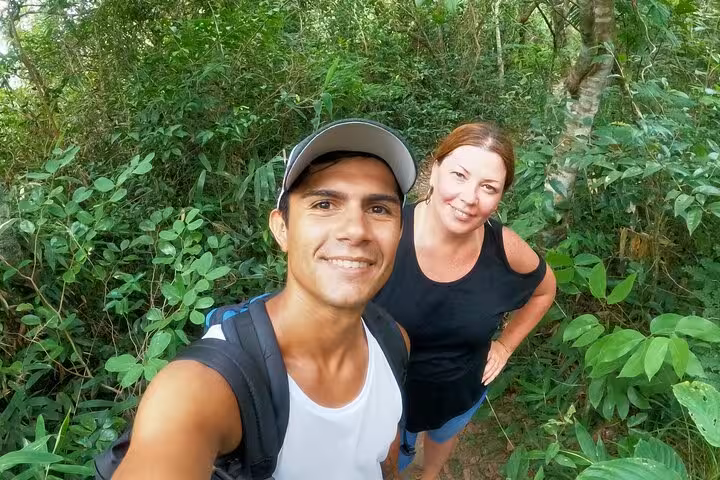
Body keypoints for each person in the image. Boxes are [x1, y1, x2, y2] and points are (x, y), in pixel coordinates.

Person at [112, 119, 417, 480]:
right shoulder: (206, 386)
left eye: (379, 209)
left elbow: (383, 458)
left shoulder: (393, 339)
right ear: (282, 229)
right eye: (324, 204)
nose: (355, 230)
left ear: (399, 232)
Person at [374, 122, 557, 479]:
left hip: (460, 392)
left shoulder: (504, 249)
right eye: (459, 175)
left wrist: (504, 345)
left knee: (443, 439)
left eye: (488, 187)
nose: (470, 197)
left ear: (501, 195)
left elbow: (545, 290)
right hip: (387, 405)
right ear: (435, 169)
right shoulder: (385, 233)